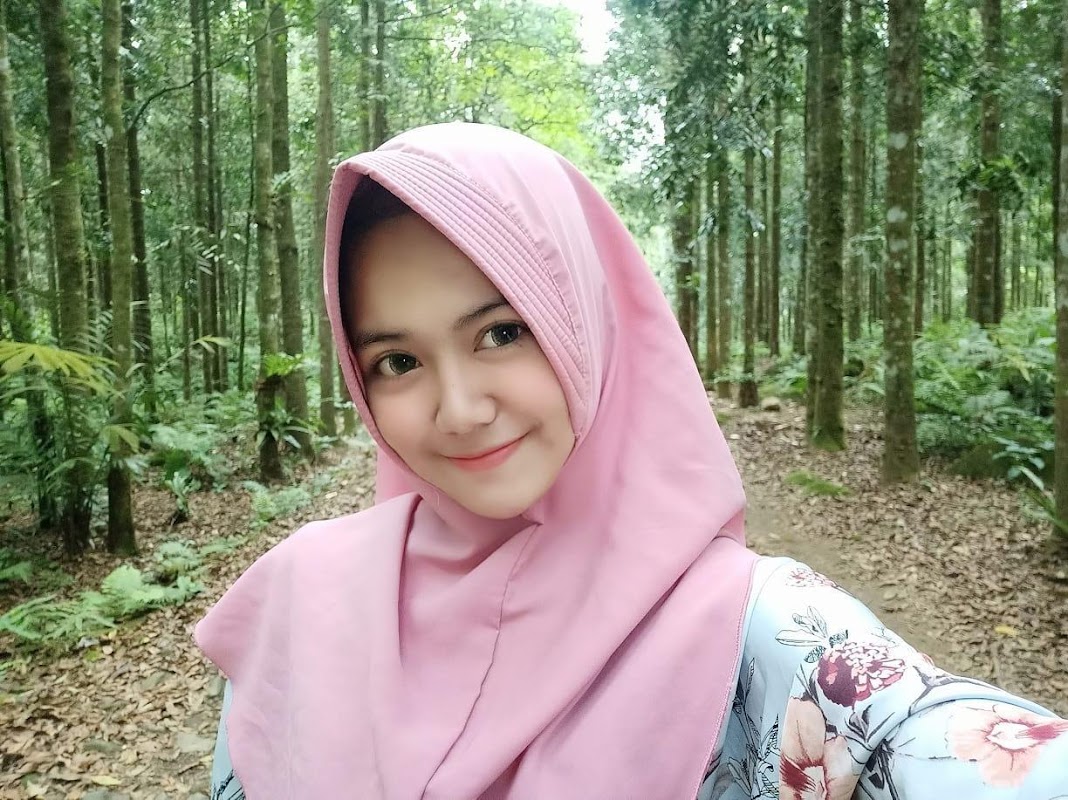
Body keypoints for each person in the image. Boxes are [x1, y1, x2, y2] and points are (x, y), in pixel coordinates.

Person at [196, 123, 1068, 800]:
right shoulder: (303, 599)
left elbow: (933, 738)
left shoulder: (758, 630)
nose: (459, 410)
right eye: (398, 361)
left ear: (587, 322)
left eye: (503, 332)